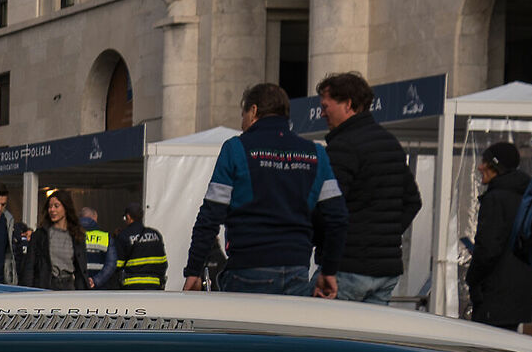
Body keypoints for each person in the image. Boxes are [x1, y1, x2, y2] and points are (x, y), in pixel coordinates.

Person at [184, 82, 349, 296]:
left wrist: (194, 270)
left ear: (253, 111)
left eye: (242, 115)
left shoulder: (235, 148)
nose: (242, 124)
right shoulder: (315, 153)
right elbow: (337, 218)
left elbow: (210, 215)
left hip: (246, 268)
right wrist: (328, 270)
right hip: (297, 269)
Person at [316, 72, 422, 304]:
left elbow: (328, 209)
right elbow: (413, 201)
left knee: (327, 336)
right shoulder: (390, 143)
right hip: (386, 269)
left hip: (346, 265)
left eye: (325, 106)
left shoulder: (342, 147)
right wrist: (384, 235)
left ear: (348, 105)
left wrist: (327, 246)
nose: (322, 113)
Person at [464, 141, 532, 331]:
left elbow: (488, 249)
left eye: (485, 162)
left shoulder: (496, 199)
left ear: (496, 166)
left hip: (496, 294)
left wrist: (472, 279)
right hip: (521, 292)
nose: (480, 167)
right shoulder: (526, 197)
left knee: (486, 351)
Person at [20, 189, 91, 290]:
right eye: (50, 207)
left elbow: (81, 268)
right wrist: (27, 291)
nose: (52, 210)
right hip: (47, 285)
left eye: (56, 206)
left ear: (66, 208)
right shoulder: (40, 235)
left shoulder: (77, 236)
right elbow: (30, 266)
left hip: (69, 286)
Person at [98, 204, 170, 290]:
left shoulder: (124, 235)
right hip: (154, 285)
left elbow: (117, 265)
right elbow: (163, 263)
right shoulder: (155, 234)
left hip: (132, 286)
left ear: (128, 217)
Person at [78, 207, 111, 286]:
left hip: (79, 284)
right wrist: (96, 280)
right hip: (100, 285)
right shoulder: (105, 237)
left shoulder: (74, 236)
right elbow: (111, 264)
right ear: (94, 218)